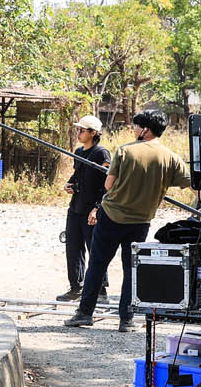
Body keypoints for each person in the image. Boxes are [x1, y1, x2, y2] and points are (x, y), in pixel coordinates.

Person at [64, 109, 187, 332]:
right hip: (141, 221)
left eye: (137, 126)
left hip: (112, 216)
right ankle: (126, 320)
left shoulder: (125, 151)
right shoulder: (170, 157)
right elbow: (187, 181)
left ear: (145, 130)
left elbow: (109, 185)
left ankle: (84, 314)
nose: (135, 130)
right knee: (131, 268)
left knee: (98, 264)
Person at [57, 114, 109, 302]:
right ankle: (75, 286)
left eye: (82, 130)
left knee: (95, 249)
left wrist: (97, 208)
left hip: (92, 210)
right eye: (77, 129)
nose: (78, 133)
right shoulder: (79, 152)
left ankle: (101, 290)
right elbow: (77, 175)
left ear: (93, 133)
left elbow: (106, 185)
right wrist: (68, 185)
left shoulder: (101, 153)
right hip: (76, 208)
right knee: (73, 247)